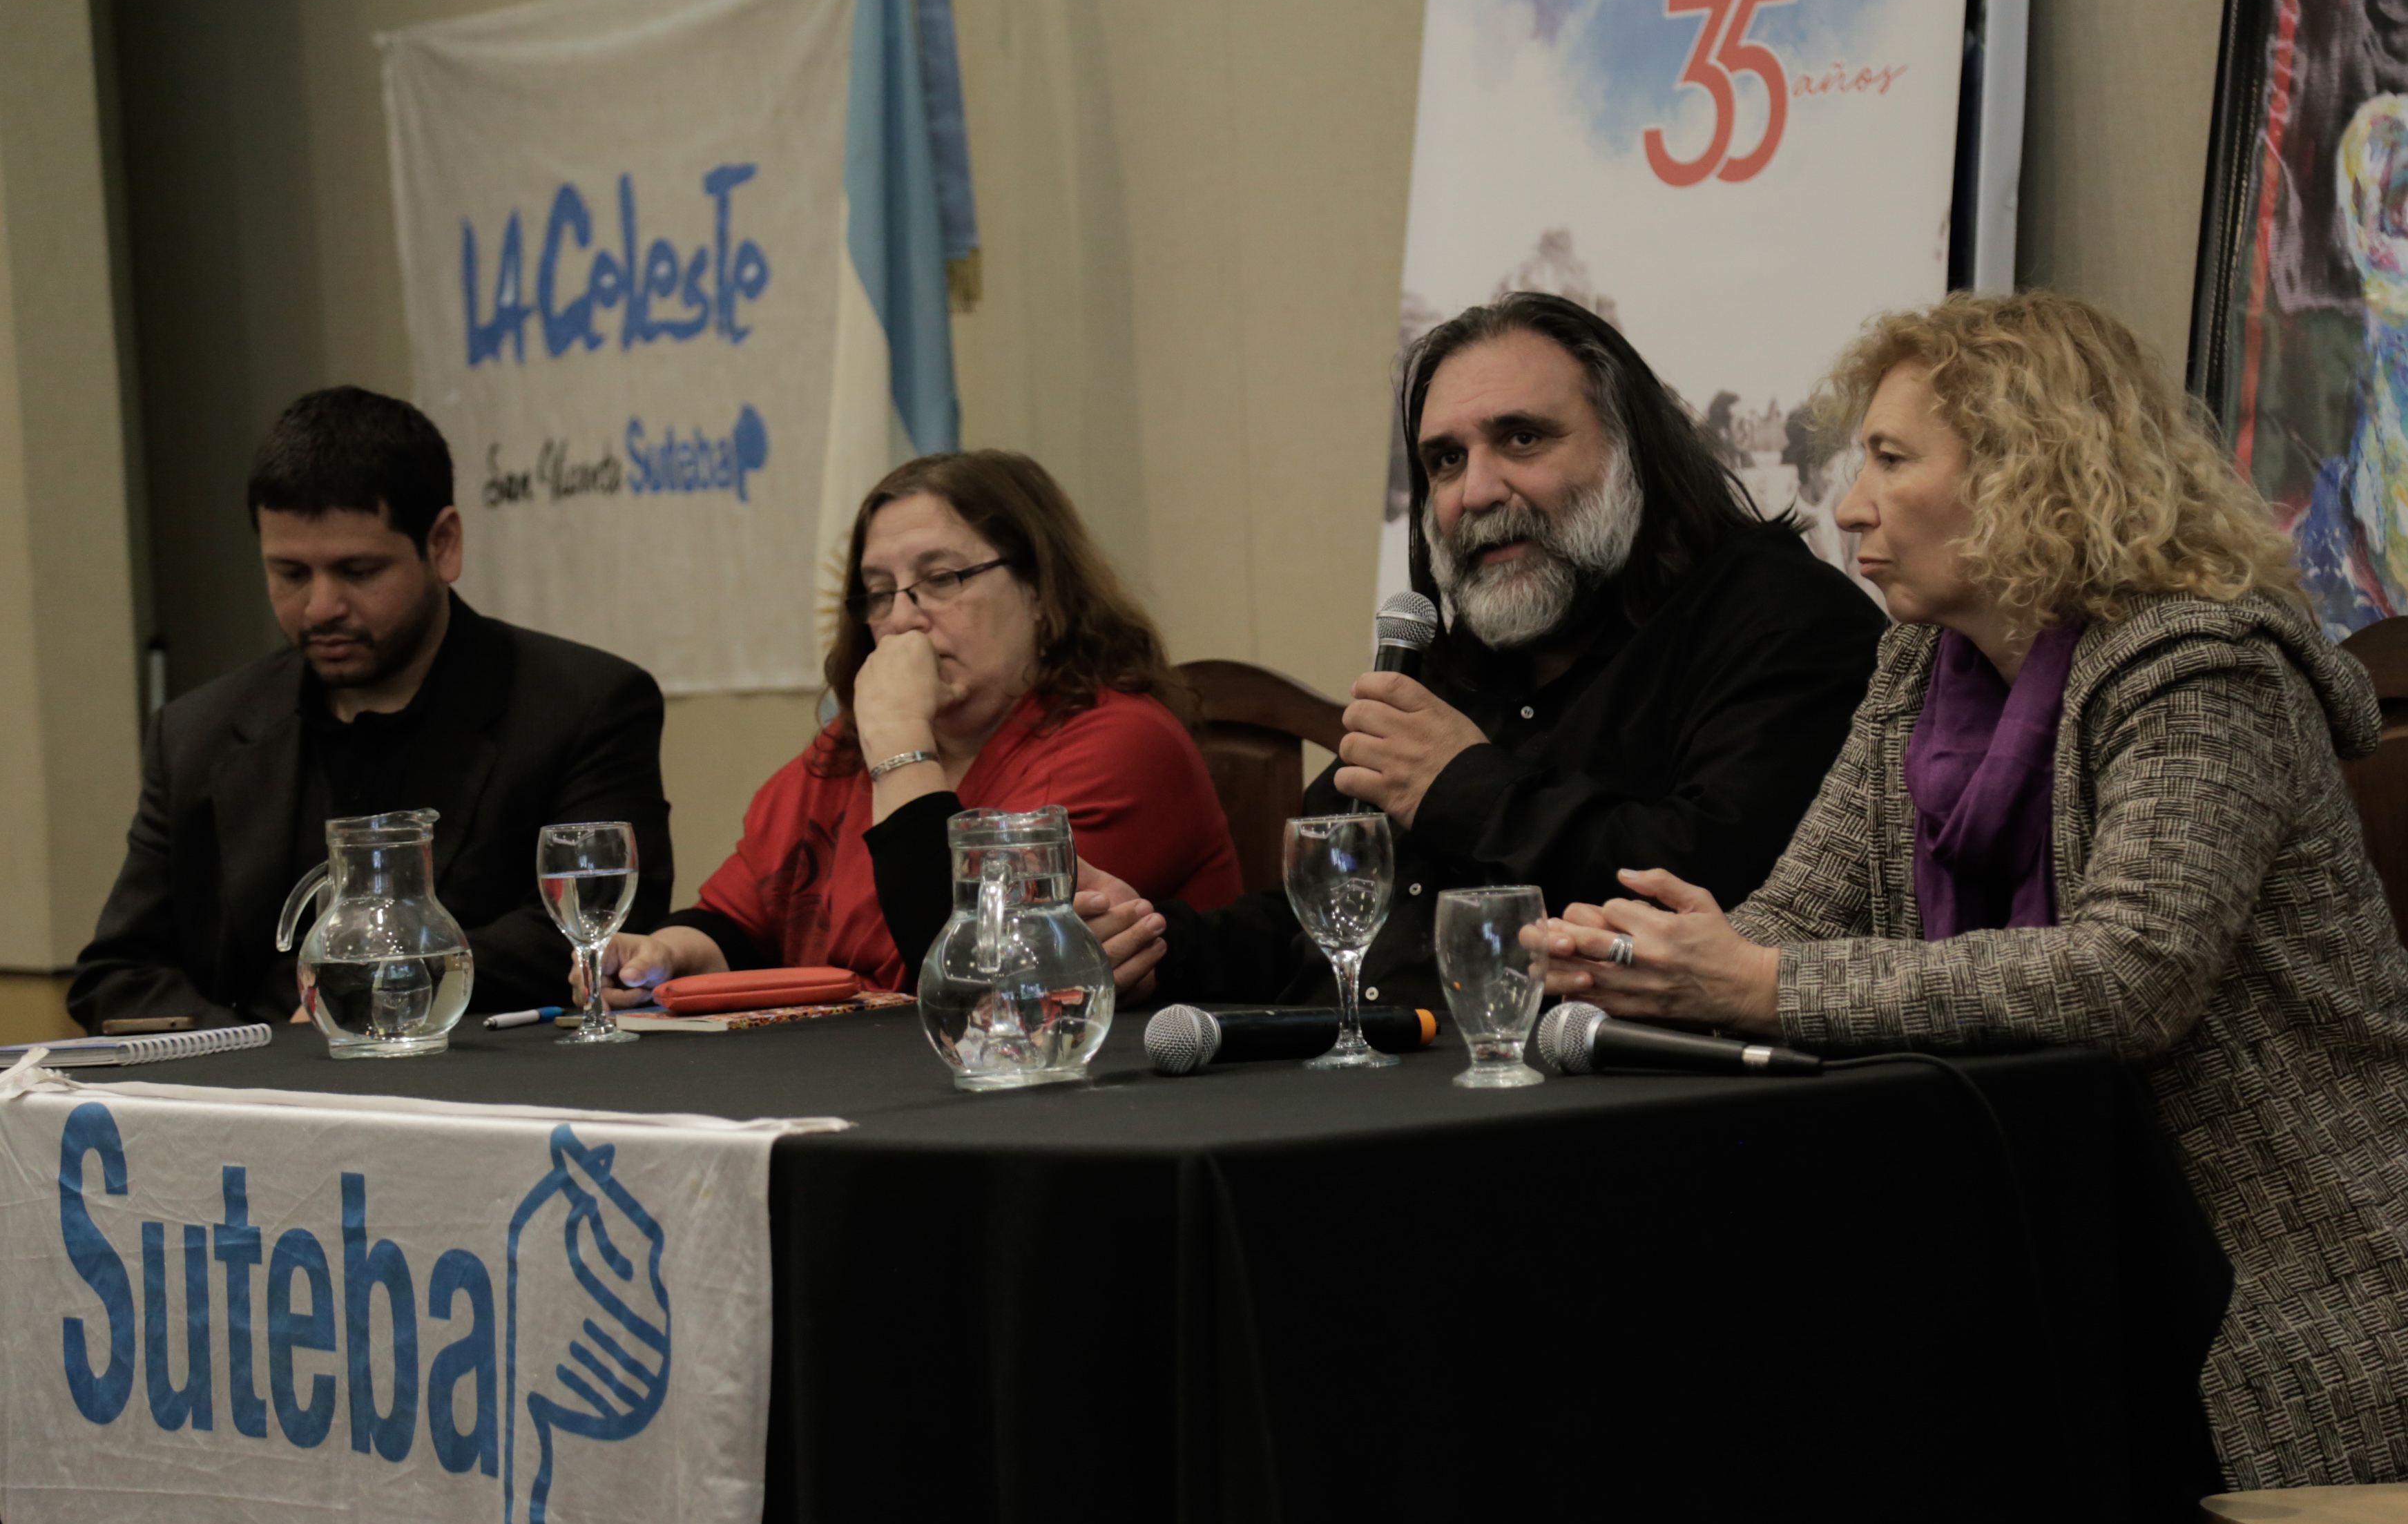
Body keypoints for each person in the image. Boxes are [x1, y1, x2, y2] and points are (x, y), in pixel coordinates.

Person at [1540, 291, 2408, 1489]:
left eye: (1891, 459)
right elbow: (1798, 916)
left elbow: (2128, 979)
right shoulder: (1921, 664)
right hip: (2076, 1246)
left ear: (2027, 469)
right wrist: (1648, 964)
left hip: (2313, 1295)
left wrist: (1759, 985)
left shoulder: (2201, 667)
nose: (1849, 505)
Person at [1083, 292, 1886, 1012]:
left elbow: (1721, 890)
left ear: (1631, 450)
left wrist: (1461, 788)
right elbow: (1324, 917)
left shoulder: (1781, 617)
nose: (1476, 491)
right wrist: (1158, 948)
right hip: (1361, 1083)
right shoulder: (1462, 654)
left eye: (1522, 438)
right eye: (1446, 460)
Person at [70, 386, 674, 1030]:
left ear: (443, 545)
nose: (321, 607)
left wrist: (364, 994)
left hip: (478, 1076)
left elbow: (595, 933)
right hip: (249, 1073)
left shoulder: (586, 705)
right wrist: (255, 1051)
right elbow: (118, 974)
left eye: (358, 572)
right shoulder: (198, 732)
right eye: (291, 574)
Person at [595, 450, 1240, 999]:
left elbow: (978, 973)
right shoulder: (850, 750)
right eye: (880, 591)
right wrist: (667, 954)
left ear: (1042, 594)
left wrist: (901, 742)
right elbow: (743, 922)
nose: (902, 619)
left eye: (941, 578)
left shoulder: (1124, 742)